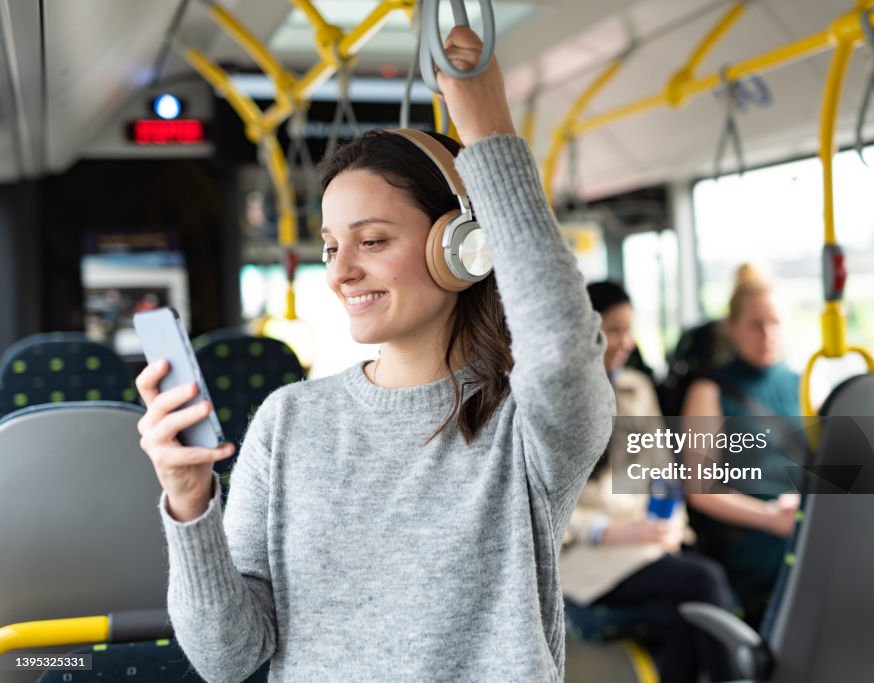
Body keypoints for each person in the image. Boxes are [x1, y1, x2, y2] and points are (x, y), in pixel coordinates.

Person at [134, 27, 615, 682]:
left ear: (461, 246)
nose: (341, 272)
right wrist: (190, 503)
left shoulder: (523, 424)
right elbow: (227, 658)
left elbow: (560, 347)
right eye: (332, 247)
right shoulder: (287, 421)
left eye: (373, 240)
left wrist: (488, 128)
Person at [560, 280, 738, 683]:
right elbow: (551, 508)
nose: (626, 341)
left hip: (643, 542)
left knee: (683, 618)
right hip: (586, 553)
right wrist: (616, 532)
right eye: (615, 329)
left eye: (630, 329)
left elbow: (661, 470)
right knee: (704, 580)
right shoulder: (559, 398)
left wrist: (670, 523)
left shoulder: (636, 388)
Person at [681, 264, 805, 628]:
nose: (767, 334)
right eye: (755, 324)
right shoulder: (709, 391)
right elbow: (700, 491)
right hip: (750, 532)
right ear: (732, 328)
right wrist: (770, 518)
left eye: (775, 322)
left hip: (797, 520)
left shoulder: (804, 383)